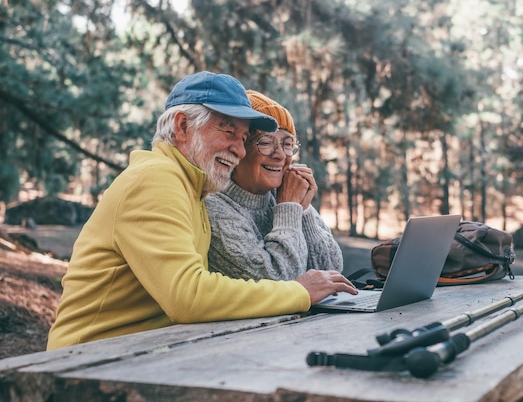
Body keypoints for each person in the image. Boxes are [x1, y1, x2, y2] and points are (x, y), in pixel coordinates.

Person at [47, 71, 357, 350]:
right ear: (182, 126)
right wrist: (298, 293)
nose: (238, 148)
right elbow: (187, 295)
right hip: (85, 359)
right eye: (227, 131)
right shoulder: (156, 178)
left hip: (142, 350)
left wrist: (296, 206)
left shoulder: (191, 186)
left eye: (244, 138)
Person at [205, 90, 343, 281]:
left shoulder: (283, 195)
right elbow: (279, 280)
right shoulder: (214, 208)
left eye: (287, 144)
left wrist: (303, 210)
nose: (279, 155)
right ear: (238, 149)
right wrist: (289, 208)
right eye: (266, 142)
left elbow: (332, 271)